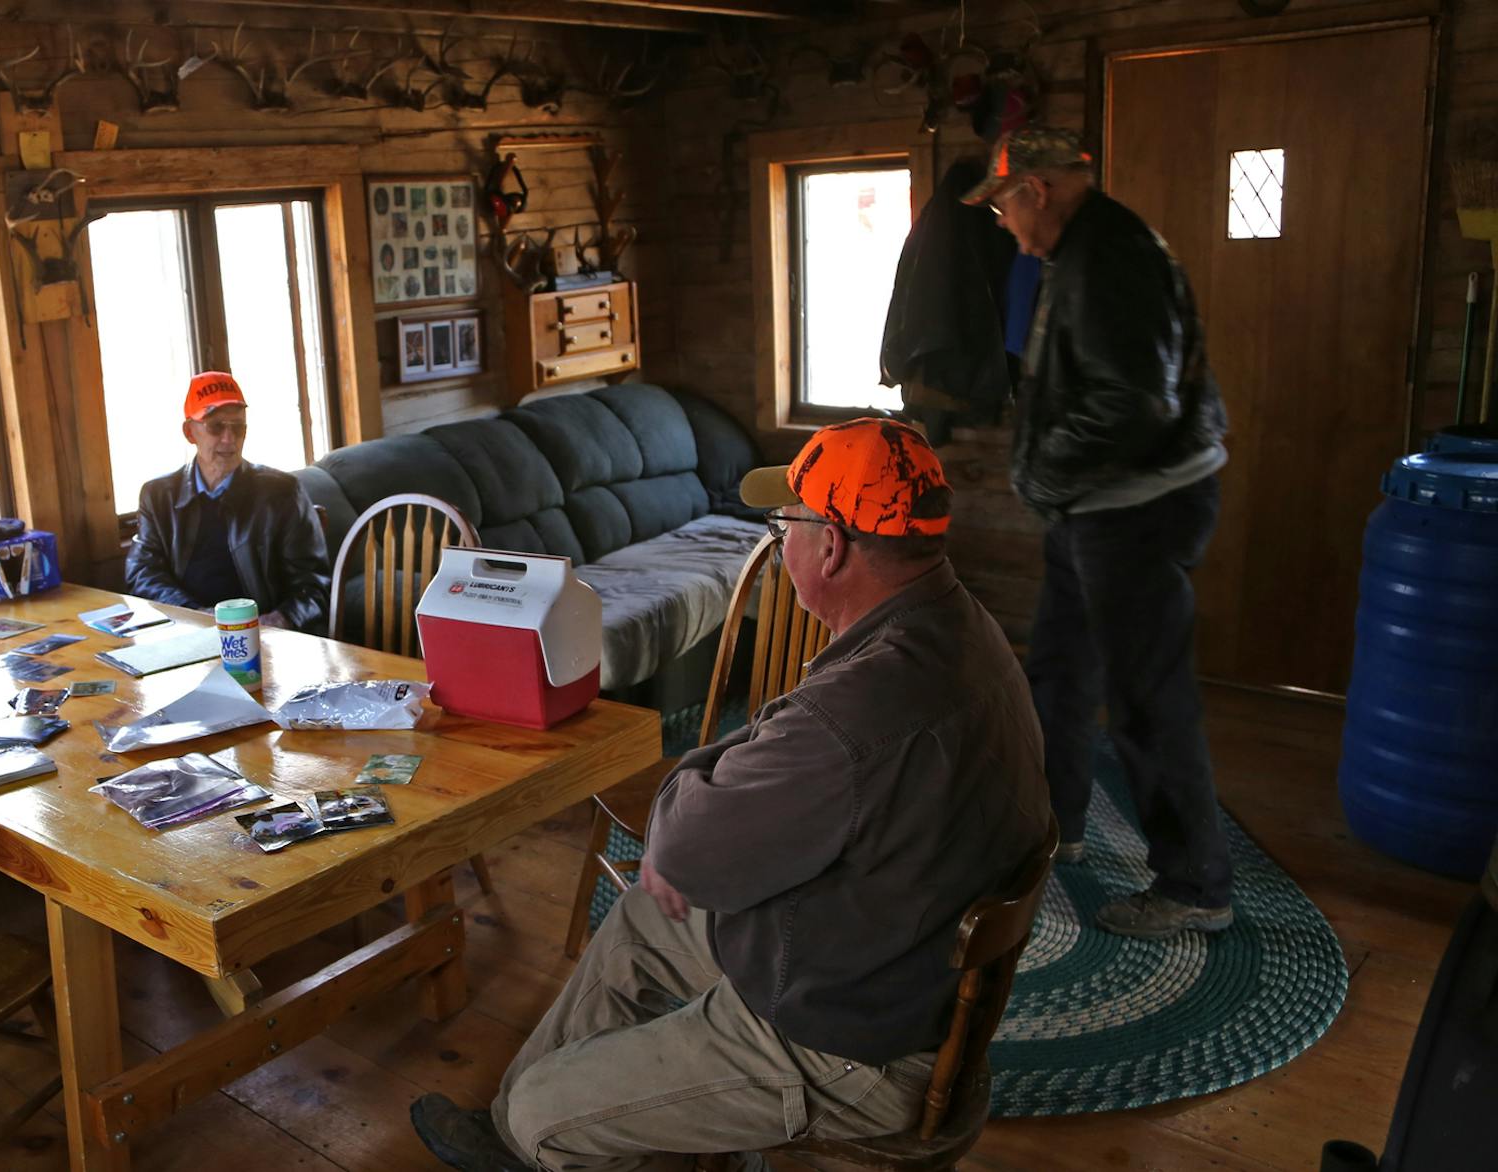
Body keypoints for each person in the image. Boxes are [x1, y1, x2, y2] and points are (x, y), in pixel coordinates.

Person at [409, 419, 1053, 1171]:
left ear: (834, 546)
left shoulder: (858, 709)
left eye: (786, 524)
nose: (780, 543)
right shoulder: (961, 626)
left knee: (542, 1117)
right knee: (650, 913)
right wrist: (758, 747)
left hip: (846, 1044)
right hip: (884, 962)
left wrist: (720, 755)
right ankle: (516, 1142)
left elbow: (685, 845)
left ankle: (537, 1131)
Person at [964, 125, 1236, 938]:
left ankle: (1195, 887)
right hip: (1096, 508)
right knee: (1059, 670)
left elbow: (1135, 402)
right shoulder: (1080, 251)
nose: (1003, 225)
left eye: (1004, 207)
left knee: (1148, 697)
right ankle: (1059, 828)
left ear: (1036, 191)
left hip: (1133, 508)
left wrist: (1043, 475)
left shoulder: (1111, 256)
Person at [125, 371, 331, 633]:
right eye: (216, 426)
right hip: (187, 632)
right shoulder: (158, 495)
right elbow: (142, 574)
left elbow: (314, 584)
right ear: (190, 432)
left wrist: (280, 620)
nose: (228, 439)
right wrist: (196, 616)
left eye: (238, 427)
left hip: (262, 634)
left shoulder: (281, 493)